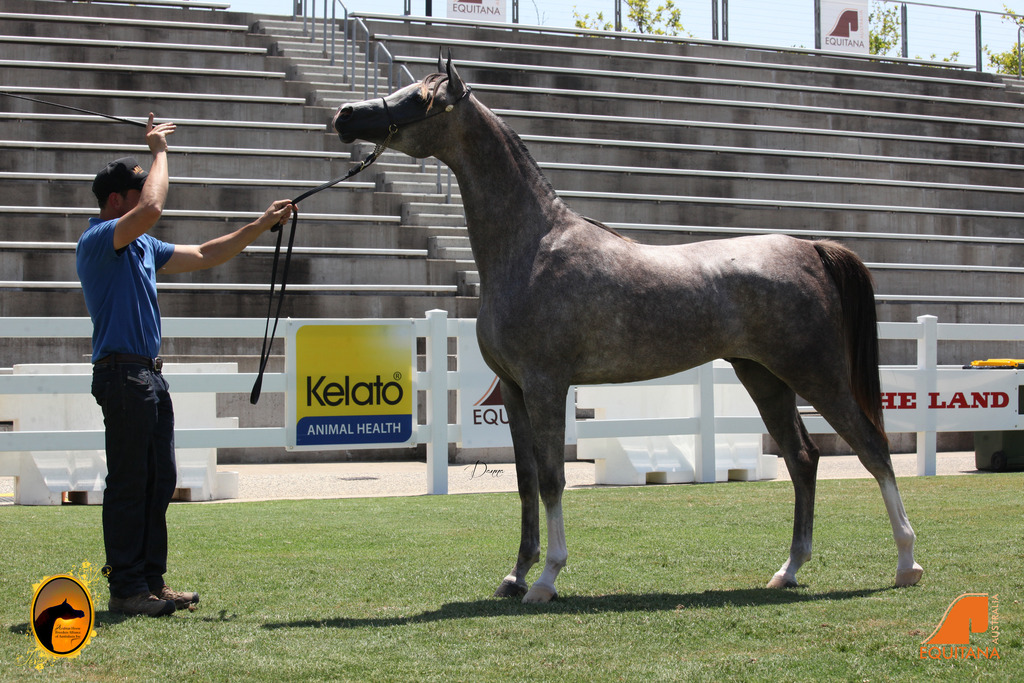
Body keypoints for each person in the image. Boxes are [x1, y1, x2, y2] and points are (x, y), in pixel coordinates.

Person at [76, 113, 292, 617]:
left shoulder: (142, 245)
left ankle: (150, 583)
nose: (143, 193)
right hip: (123, 373)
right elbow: (151, 207)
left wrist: (260, 225)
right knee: (131, 481)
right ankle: (127, 588)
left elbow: (203, 252)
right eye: (134, 189)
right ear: (115, 202)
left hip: (146, 374)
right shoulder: (99, 241)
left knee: (158, 478)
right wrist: (158, 151)